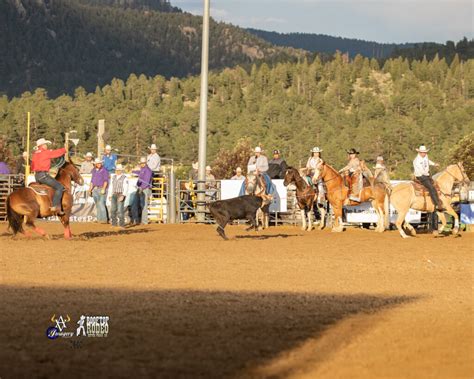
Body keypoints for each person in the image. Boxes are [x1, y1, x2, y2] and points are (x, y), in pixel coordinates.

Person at [31, 138, 66, 215]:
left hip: (37, 176)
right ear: (42, 145)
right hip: (43, 176)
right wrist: (64, 149)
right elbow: (56, 153)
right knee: (59, 187)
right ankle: (54, 206)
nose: (46, 146)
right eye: (45, 144)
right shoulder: (46, 152)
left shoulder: (35, 153)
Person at [413, 145, 443, 211]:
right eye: (423, 152)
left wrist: (434, 164)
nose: (424, 153)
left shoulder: (425, 156)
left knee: (435, 184)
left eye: (425, 152)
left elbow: (428, 161)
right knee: (431, 187)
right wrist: (427, 174)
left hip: (426, 175)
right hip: (420, 176)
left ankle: (435, 200)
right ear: (419, 152)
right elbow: (421, 170)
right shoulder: (416, 160)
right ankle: (437, 204)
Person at [132, 157, 153, 225]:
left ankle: (144, 221)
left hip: (145, 189)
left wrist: (142, 188)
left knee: (144, 205)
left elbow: (146, 181)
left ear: (145, 163)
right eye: (141, 163)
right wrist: (133, 171)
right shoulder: (143, 169)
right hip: (141, 188)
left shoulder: (148, 170)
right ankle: (138, 220)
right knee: (138, 204)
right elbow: (139, 173)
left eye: (143, 163)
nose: (142, 164)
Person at [109, 164, 129, 228]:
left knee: (120, 210)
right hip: (114, 194)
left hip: (120, 194)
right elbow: (111, 186)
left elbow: (126, 187)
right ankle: (114, 223)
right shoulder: (113, 177)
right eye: (117, 170)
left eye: (119, 170)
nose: (118, 171)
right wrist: (110, 195)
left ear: (121, 171)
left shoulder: (125, 177)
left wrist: (123, 195)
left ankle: (121, 224)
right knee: (113, 210)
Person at [89, 158, 109, 223]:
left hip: (101, 188)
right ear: (95, 164)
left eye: (100, 163)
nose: (99, 164)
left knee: (101, 203)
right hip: (95, 189)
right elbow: (92, 181)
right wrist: (90, 189)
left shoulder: (104, 170)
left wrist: (103, 188)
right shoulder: (94, 170)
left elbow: (106, 180)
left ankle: (104, 219)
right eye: (98, 163)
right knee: (98, 204)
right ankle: (99, 219)